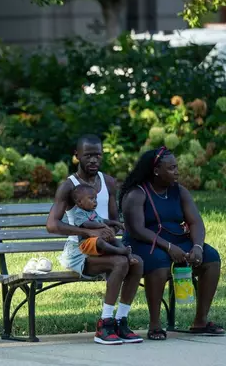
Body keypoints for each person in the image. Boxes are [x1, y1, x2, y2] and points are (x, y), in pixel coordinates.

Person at [119, 146, 226, 341]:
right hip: (143, 242)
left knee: (211, 258)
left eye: (176, 167)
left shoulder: (180, 191)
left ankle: (200, 321)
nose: (176, 171)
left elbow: (195, 221)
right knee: (159, 262)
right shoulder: (137, 193)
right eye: (171, 168)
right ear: (156, 170)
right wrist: (168, 247)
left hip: (177, 239)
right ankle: (155, 324)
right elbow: (137, 229)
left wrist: (197, 247)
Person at [46, 134, 144, 345]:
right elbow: (52, 225)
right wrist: (88, 232)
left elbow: (111, 218)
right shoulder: (69, 186)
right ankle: (105, 325)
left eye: (97, 155)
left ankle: (121, 321)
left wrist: (110, 230)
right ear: (77, 156)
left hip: (103, 246)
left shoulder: (108, 182)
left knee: (137, 264)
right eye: (88, 155)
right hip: (79, 251)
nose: (93, 160)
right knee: (120, 262)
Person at [69, 184, 138, 265]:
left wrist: (116, 223)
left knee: (115, 240)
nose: (95, 201)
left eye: (95, 198)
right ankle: (119, 251)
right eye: (91, 198)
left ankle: (129, 257)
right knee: (100, 242)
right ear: (80, 202)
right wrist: (101, 225)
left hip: (97, 240)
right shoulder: (79, 213)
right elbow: (86, 224)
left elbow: (103, 221)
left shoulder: (93, 212)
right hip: (85, 243)